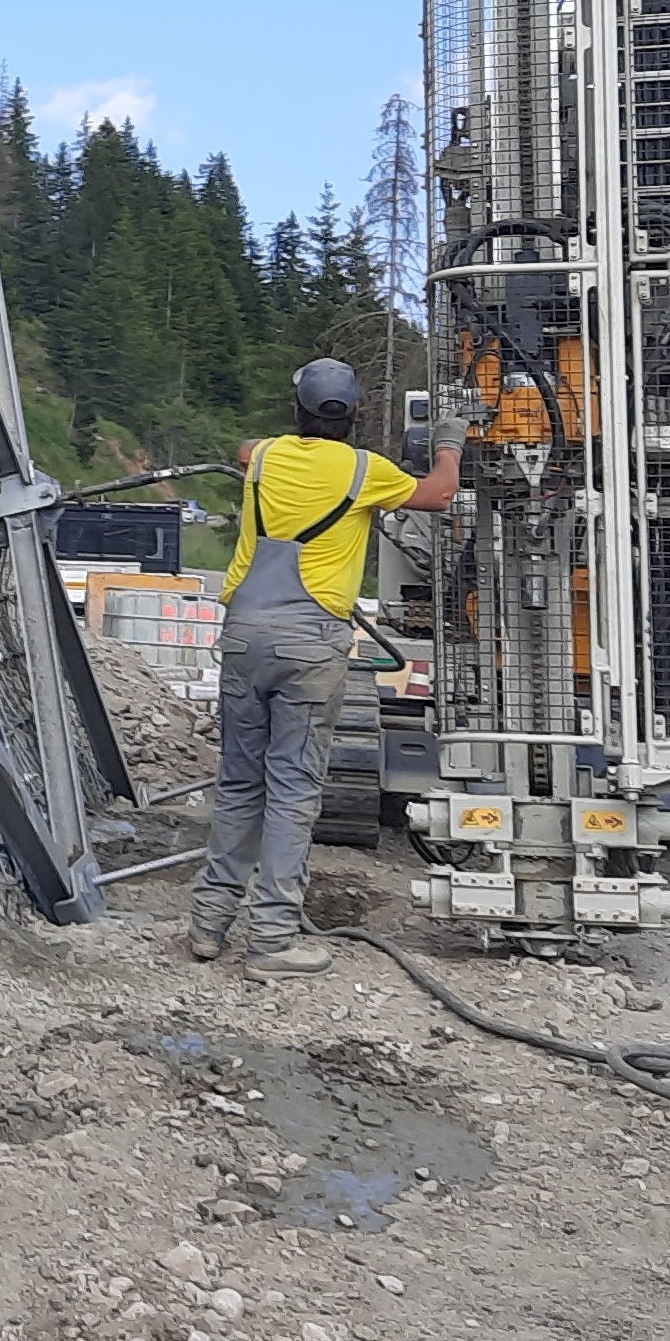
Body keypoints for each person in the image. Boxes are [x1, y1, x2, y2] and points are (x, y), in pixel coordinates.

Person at [191, 359, 462, 975]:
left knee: (238, 782)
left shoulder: (263, 458)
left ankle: (208, 925)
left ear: (298, 413)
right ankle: (272, 939)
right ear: (355, 417)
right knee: (292, 788)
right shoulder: (366, 471)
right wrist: (448, 445)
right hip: (311, 645)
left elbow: (243, 447)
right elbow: (440, 495)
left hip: (244, 635)